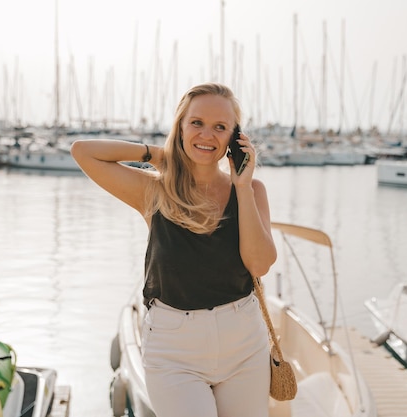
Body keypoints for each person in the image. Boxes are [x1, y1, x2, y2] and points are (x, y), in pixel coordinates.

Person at [71, 82, 277, 417]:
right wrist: (161, 155)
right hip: (174, 350)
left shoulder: (252, 190)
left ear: (234, 138)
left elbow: (259, 265)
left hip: (244, 345)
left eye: (220, 127)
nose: (207, 134)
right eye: (196, 123)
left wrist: (241, 186)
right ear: (180, 126)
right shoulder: (154, 190)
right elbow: (83, 151)